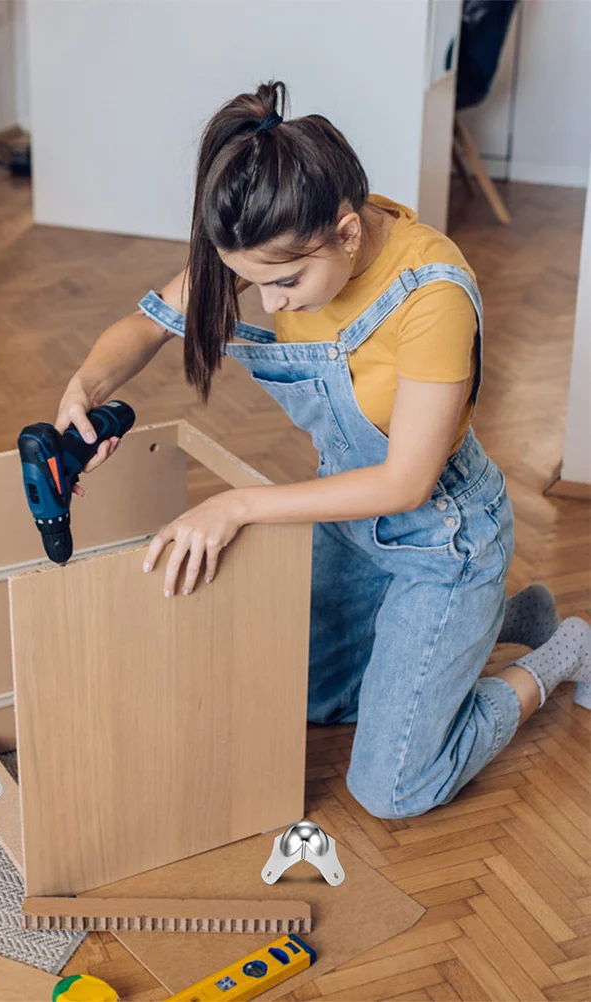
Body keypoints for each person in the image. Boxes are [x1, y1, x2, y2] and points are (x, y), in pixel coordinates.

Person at [53, 81, 590, 820]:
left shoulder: (431, 293)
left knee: (394, 788)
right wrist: (83, 385)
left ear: (345, 233)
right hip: (347, 517)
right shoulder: (275, 237)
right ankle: (498, 622)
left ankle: (561, 651)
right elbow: (143, 327)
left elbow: (405, 482)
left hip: (443, 538)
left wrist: (239, 506)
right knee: (313, 698)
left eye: (283, 282)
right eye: (251, 283)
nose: (268, 302)